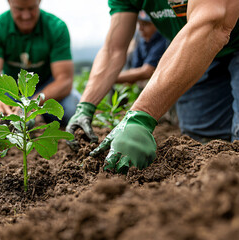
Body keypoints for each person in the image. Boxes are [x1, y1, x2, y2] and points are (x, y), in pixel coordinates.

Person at [66, 0, 239, 173]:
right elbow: (113, 50)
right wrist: (85, 106)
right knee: (207, 142)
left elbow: (214, 24)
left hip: (211, 34)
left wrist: (141, 117)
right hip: (195, 50)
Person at [0, 0, 81, 126]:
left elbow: (64, 80)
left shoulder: (56, 27)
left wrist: (31, 105)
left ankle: (42, 118)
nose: (26, 16)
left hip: (47, 88)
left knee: (71, 110)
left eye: (32, 8)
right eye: (19, 9)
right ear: (9, 2)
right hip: (13, 90)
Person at [117, 11, 169, 86]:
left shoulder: (164, 38)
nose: (141, 28)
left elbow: (147, 71)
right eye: (139, 24)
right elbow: (135, 67)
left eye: (145, 24)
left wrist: (111, 78)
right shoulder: (140, 38)